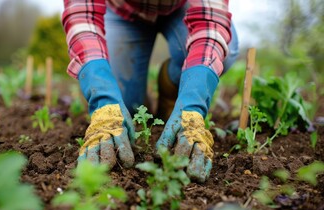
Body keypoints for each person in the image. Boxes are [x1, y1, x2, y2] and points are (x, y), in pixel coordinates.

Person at [62, 0, 239, 183]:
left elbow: (210, 25)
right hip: (123, 11)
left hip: (180, 8)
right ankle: (136, 95)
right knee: (126, 102)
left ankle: (171, 86)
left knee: (225, 54)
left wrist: (194, 103)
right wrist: (103, 100)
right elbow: (81, 16)